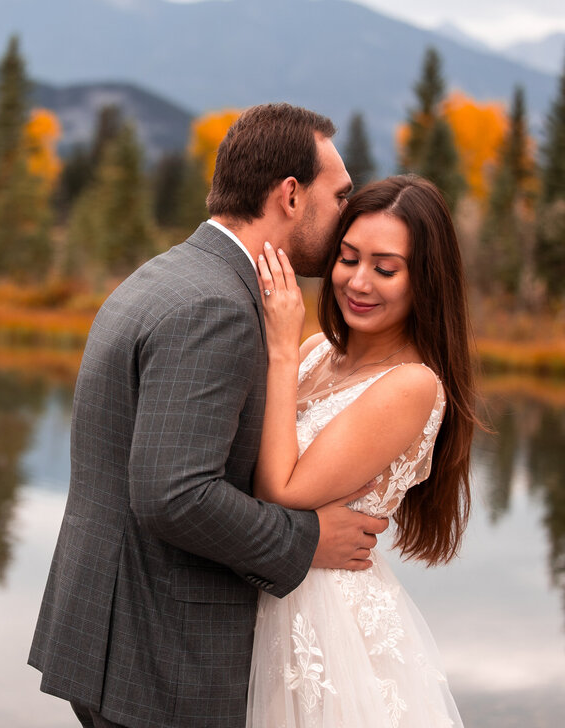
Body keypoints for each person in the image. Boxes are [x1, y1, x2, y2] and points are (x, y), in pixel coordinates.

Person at [29, 103, 390, 728]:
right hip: (163, 659)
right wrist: (307, 542)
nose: (346, 217)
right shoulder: (216, 307)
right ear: (291, 195)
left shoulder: (171, 276)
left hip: (117, 639)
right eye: (340, 197)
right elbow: (174, 495)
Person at [247, 174, 477, 727]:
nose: (359, 282)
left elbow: (282, 490)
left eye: (386, 268)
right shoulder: (315, 351)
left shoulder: (412, 385)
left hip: (324, 621)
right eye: (349, 258)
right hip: (268, 588)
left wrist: (278, 348)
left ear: (425, 280)